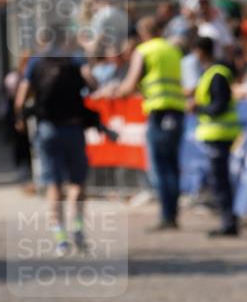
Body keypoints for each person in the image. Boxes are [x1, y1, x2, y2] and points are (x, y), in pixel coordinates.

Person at [14, 48, 97, 255]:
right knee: (77, 182)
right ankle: (77, 228)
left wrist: (20, 118)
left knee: (54, 185)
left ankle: (60, 238)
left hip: (47, 129)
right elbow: (92, 84)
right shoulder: (74, 58)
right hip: (73, 127)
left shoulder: (36, 61)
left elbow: (20, 98)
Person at [112, 15, 185, 230]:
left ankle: (166, 216)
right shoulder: (172, 49)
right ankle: (172, 214)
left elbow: (130, 83)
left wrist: (115, 92)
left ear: (143, 33)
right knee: (172, 166)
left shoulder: (144, 51)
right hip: (177, 111)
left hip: (159, 111)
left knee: (160, 168)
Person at [192, 36, 241, 236]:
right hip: (217, 135)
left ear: (200, 51)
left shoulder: (217, 74)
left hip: (220, 135)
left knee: (220, 181)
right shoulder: (213, 72)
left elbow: (219, 106)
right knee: (219, 180)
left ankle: (228, 223)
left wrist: (198, 108)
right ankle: (227, 221)